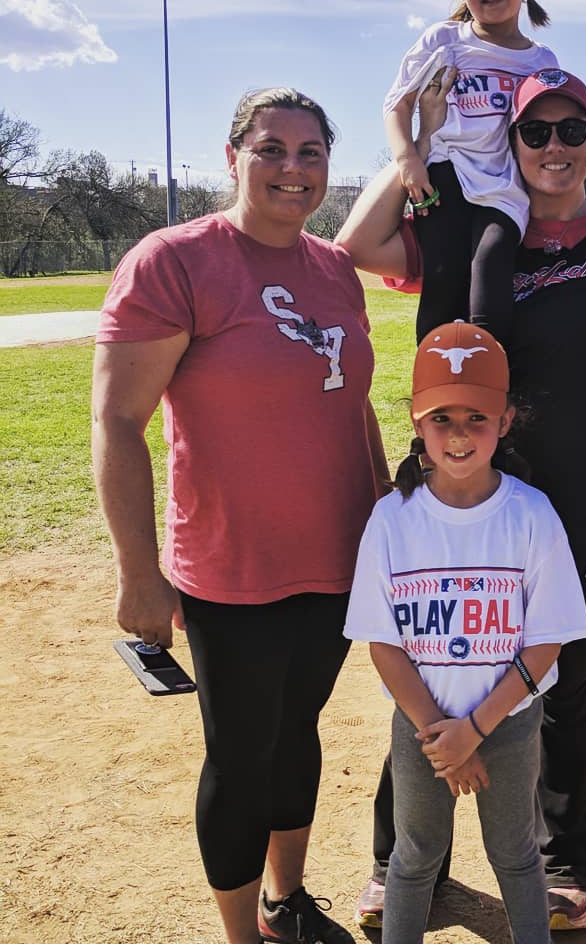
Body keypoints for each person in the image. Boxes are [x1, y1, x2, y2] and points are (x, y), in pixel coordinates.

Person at [337, 67, 586, 931]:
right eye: (532, 132)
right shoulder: (474, 231)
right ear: (508, 143)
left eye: (569, 130)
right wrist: (417, 145)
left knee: (567, 675)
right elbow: (359, 245)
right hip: (465, 473)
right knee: (436, 656)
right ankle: (403, 864)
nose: (552, 146)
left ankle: (564, 860)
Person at [93, 88, 387, 944]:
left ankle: (286, 899)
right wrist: (138, 573)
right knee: (241, 752)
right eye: (272, 149)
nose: (293, 170)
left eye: (310, 153)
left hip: (336, 560)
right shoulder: (175, 261)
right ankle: (241, 934)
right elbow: (117, 421)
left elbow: (356, 406)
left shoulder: (334, 269)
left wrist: (384, 530)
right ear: (234, 158)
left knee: (299, 732)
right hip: (232, 568)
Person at [344, 320, 586, 942]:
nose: (458, 435)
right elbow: (384, 643)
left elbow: (547, 641)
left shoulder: (530, 513)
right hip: (420, 725)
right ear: (416, 423)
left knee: (515, 855)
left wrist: (474, 731)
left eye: (476, 418)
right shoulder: (393, 517)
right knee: (414, 857)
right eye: (441, 418)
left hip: (507, 724)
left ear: (507, 420)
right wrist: (441, 737)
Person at [385, 0, 557, 345]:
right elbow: (397, 104)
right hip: (446, 173)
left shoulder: (542, 61)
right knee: (443, 278)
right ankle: (434, 391)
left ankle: (488, 389)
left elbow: (555, 135)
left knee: (492, 266)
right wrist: (408, 159)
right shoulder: (445, 40)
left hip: (506, 184)